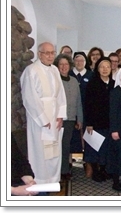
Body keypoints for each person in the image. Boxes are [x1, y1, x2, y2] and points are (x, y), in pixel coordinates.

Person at [20, 42, 67, 184]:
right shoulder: (31, 70)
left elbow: (60, 95)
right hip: (39, 121)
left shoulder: (54, 70)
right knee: (40, 152)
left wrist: (60, 115)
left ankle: (52, 181)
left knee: (54, 151)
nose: (50, 55)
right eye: (47, 53)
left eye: (52, 52)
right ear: (40, 54)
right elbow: (29, 97)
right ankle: (39, 182)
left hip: (54, 119)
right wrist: (43, 118)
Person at [84, 57, 114, 182]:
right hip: (95, 123)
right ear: (98, 68)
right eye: (102, 67)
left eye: (107, 66)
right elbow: (87, 104)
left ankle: (103, 169)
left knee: (106, 149)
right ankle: (95, 171)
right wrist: (89, 123)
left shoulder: (113, 84)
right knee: (95, 147)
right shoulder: (92, 83)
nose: (105, 69)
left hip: (109, 122)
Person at [53, 54, 83, 180]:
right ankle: (56, 172)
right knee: (56, 146)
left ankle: (64, 170)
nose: (64, 67)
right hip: (57, 119)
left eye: (66, 64)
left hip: (70, 119)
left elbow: (78, 101)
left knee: (66, 146)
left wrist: (79, 119)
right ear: (57, 66)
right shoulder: (54, 80)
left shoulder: (74, 81)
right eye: (61, 64)